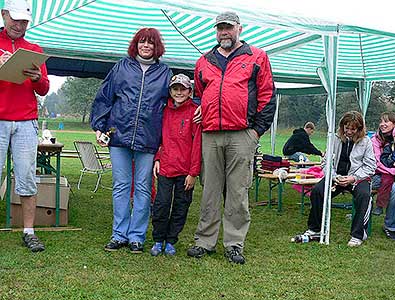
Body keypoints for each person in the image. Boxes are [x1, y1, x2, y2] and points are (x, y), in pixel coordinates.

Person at [187, 11, 276, 264]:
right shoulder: (204, 61)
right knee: (210, 191)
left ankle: (234, 243)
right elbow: (200, 94)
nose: (224, 32)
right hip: (211, 134)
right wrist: (203, 107)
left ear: (239, 28)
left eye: (228, 27)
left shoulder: (257, 57)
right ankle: (204, 241)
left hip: (242, 134)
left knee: (238, 192)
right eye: (220, 28)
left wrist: (256, 131)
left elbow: (267, 96)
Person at [90, 28, 172, 253]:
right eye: (142, 42)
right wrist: (99, 126)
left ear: (157, 47)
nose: (146, 46)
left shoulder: (165, 73)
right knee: (121, 186)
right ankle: (119, 234)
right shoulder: (121, 67)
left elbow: (172, 106)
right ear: (136, 44)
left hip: (149, 138)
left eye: (151, 43)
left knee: (144, 188)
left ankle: (137, 236)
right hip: (119, 136)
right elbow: (105, 97)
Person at [0, 0, 49, 252]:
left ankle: (29, 232)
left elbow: (44, 88)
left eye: (24, 22)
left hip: (26, 121)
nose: (20, 26)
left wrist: (39, 78)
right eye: (16, 20)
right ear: (4, 14)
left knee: (27, 177)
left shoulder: (33, 49)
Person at [296, 111, 376, 247]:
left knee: (364, 196)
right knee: (317, 191)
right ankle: (315, 229)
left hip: (357, 178)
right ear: (342, 126)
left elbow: (371, 166)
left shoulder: (366, 142)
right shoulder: (334, 138)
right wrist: (334, 176)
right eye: (347, 128)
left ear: (359, 129)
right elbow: (325, 162)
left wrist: (353, 178)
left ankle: (358, 234)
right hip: (337, 176)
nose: (349, 131)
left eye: (353, 129)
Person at [150, 74, 201, 256]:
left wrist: (194, 172)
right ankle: (158, 239)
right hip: (165, 167)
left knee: (181, 205)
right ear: (170, 91)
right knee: (161, 204)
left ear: (189, 91)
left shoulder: (196, 112)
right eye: (175, 89)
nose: (179, 92)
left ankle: (171, 240)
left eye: (183, 89)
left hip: (186, 170)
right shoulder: (164, 111)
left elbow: (197, 145)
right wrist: (157, 158)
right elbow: (159, 139)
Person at [371, 112, 395, 240]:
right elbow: (376, 164)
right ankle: (390, 226)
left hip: (394, 174)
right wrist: (392, 171)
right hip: (377, 175)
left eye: (386, 121)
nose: (382, 124)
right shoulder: (376, 140)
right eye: (381, 121)